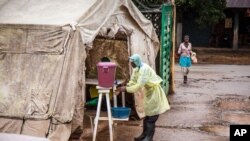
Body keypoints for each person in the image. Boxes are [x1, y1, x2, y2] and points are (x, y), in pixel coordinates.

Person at [117, 54, 170, 141]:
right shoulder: (137, 68)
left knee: (151, 119)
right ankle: (144, 135)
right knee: (147, 117)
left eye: (132, 62)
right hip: (149, 93)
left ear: (136, 61)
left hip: (154, 93)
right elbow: (133, 81)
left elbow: (138, 86)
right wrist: (127, 85)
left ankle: (149, 138)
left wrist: (125, 89)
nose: (131, 64)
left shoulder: (144, 69)